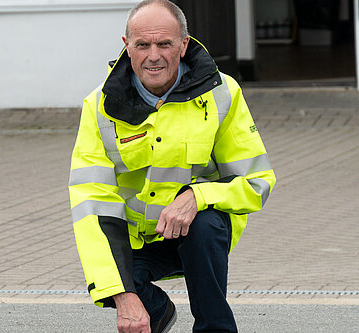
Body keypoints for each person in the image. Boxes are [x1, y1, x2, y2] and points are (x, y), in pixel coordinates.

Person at [68, 1, 276, 332]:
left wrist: (197, 196)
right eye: (143, 45)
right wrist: (125, 297)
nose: (154, 56)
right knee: (107, 279)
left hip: (199, 235)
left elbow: (256, 182)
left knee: (206, 226)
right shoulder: (99, 107)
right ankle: (158, 311)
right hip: (140, 242)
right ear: (126, 46)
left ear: (183, 45)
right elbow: (92, 202)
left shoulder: (222, 94)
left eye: (164, 44)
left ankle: (215, 327)